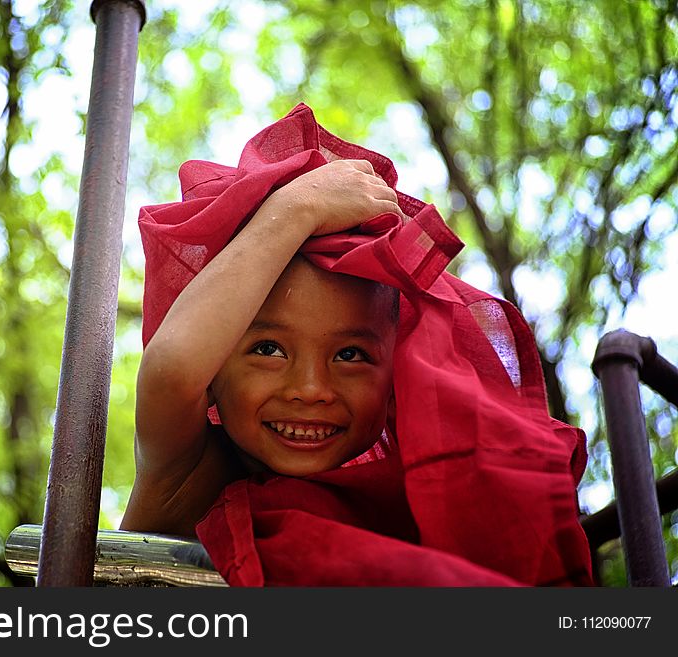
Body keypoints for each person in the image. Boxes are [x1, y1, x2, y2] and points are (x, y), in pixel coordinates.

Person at [121, 103, 595, 587]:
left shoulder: (410, 498)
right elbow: (171, 370)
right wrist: (295, 210)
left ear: (396, 381)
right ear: (214, 366)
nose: (310, 388)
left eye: (350, 355)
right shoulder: (188, 469)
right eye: (268, 349)